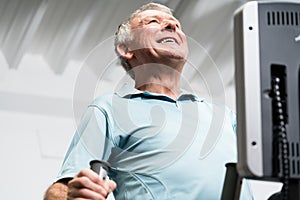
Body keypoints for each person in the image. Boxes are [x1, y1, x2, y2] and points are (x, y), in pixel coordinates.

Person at [44, 2, 253, 200]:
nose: (172, 25)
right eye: (153, 22)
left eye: (177, 25)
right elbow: (63, 188)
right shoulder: (110, 109)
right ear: (126, 49)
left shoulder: (225, 116)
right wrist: (75, 195)